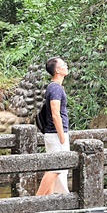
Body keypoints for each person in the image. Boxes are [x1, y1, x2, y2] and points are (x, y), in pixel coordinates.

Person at [36, 57, 70, 195]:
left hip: (52, 133)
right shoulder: (55, 88)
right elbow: (55, 114)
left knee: (54, 167)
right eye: (64, 64)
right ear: (57, 70)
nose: (66, 66)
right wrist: (62, 136)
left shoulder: (54, 87)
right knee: (56, 168)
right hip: (55, 133)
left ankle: (47, 200)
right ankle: (36, 200)